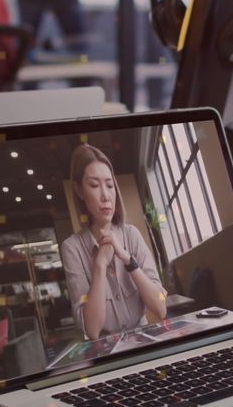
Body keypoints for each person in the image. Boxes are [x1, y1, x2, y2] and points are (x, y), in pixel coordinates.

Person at [60, 144, 167, 341]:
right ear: (79, 190)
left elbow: (161, 307)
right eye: (94, 185)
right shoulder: (72, 248)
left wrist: (128, 260)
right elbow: (92, 330)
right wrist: (99, 266)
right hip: (105, 351)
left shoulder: (131, 235)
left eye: (109, 185)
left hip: (143, 340)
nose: (106, 195)